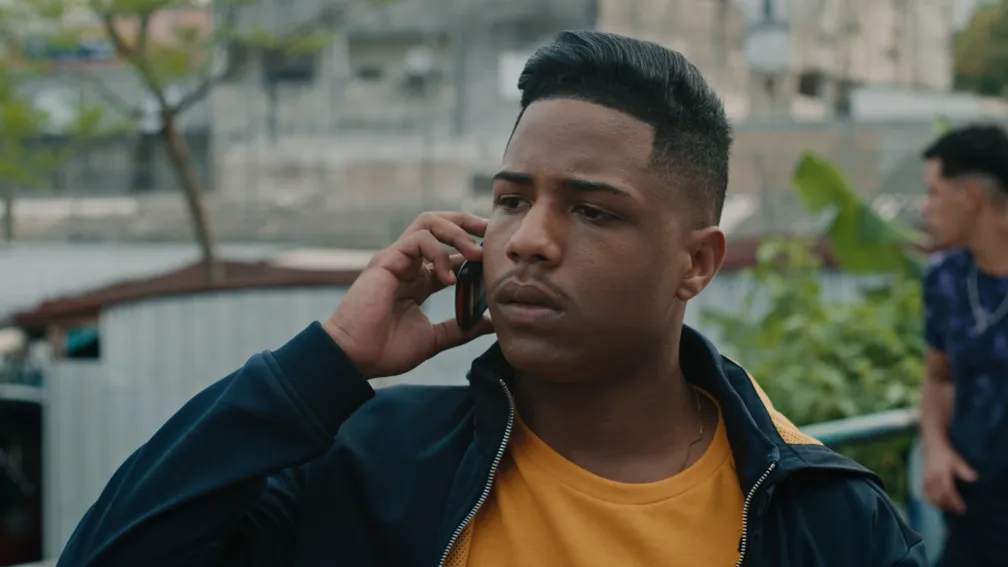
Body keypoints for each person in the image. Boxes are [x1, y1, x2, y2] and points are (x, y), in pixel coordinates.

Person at [57, 31, 924, 567]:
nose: (530, 239)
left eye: (592, 210)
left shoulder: (821, 516)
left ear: (695, 263)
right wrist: (326, 362)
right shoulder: (373, 465)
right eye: (511, 199)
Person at [920, 124, 1008, 567]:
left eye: (934, 192)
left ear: (970, 196)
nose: (926, 207)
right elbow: (938, 377)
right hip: (972, 505)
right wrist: (935, 448)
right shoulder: (945, 278)